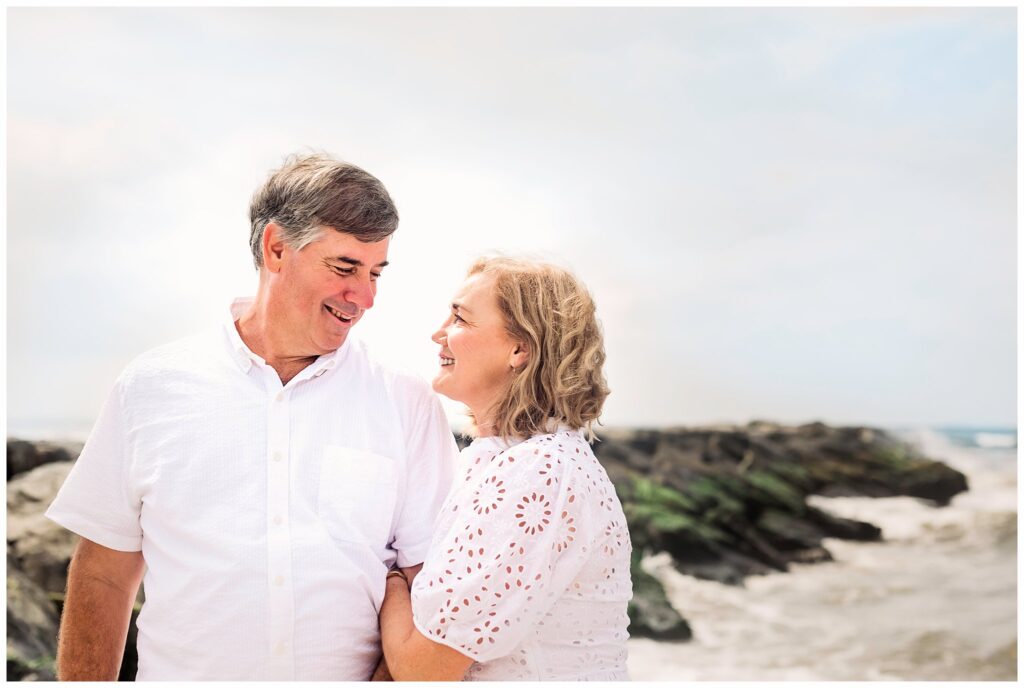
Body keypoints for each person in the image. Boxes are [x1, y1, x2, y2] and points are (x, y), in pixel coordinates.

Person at [45, 153, 458, 680]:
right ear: (277, 248)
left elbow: (429, 584)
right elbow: (103, 573)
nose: (366, 297)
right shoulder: (150, 387)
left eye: (376, 272)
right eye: (345, 267)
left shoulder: (406, 399)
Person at [378, 256, 633, 680]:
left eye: (460, 318)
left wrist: (388, 576)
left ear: (520, 349)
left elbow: (422, 670)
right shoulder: (508, 460)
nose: (438, 333)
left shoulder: (539, 473)